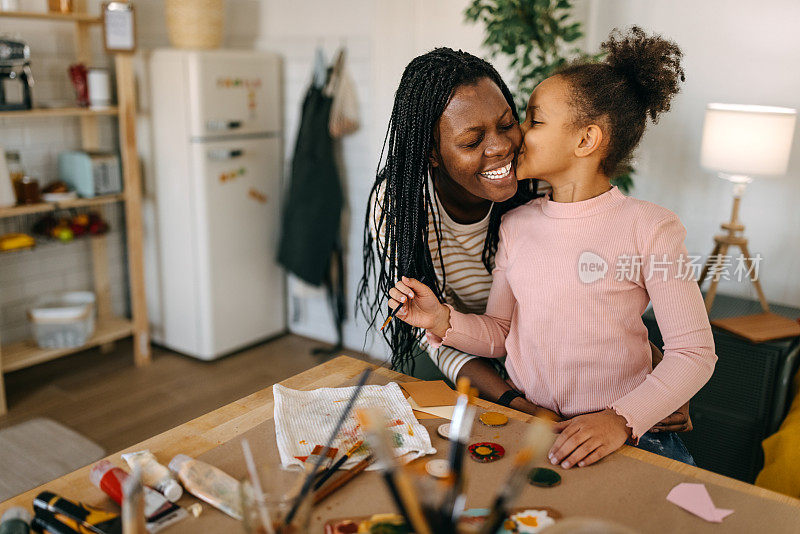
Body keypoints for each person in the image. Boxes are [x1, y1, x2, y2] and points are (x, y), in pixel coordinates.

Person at [388, 28, 715, 466]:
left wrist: (625, 416)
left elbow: (692, 353)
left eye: (530, 121)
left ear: (586, 140)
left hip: (626, 436)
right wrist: (443, 319)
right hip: (536, 429)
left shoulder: (652, 227)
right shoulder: (516, 224)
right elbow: (502, 334)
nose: (514, 137)